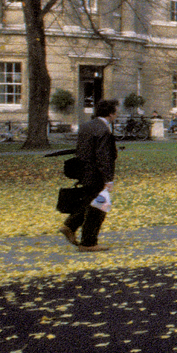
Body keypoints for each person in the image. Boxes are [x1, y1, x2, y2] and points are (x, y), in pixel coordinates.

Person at [61, 98, 119, 251]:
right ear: (111, 114)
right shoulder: (103, 130)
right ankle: (88, 242)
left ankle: (70, 225)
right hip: (97, 174)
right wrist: (108, 179)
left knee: (89, 203)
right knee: (99, 207)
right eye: (116, 113)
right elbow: (103, 156)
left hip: (84, 171)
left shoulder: (86, 126)